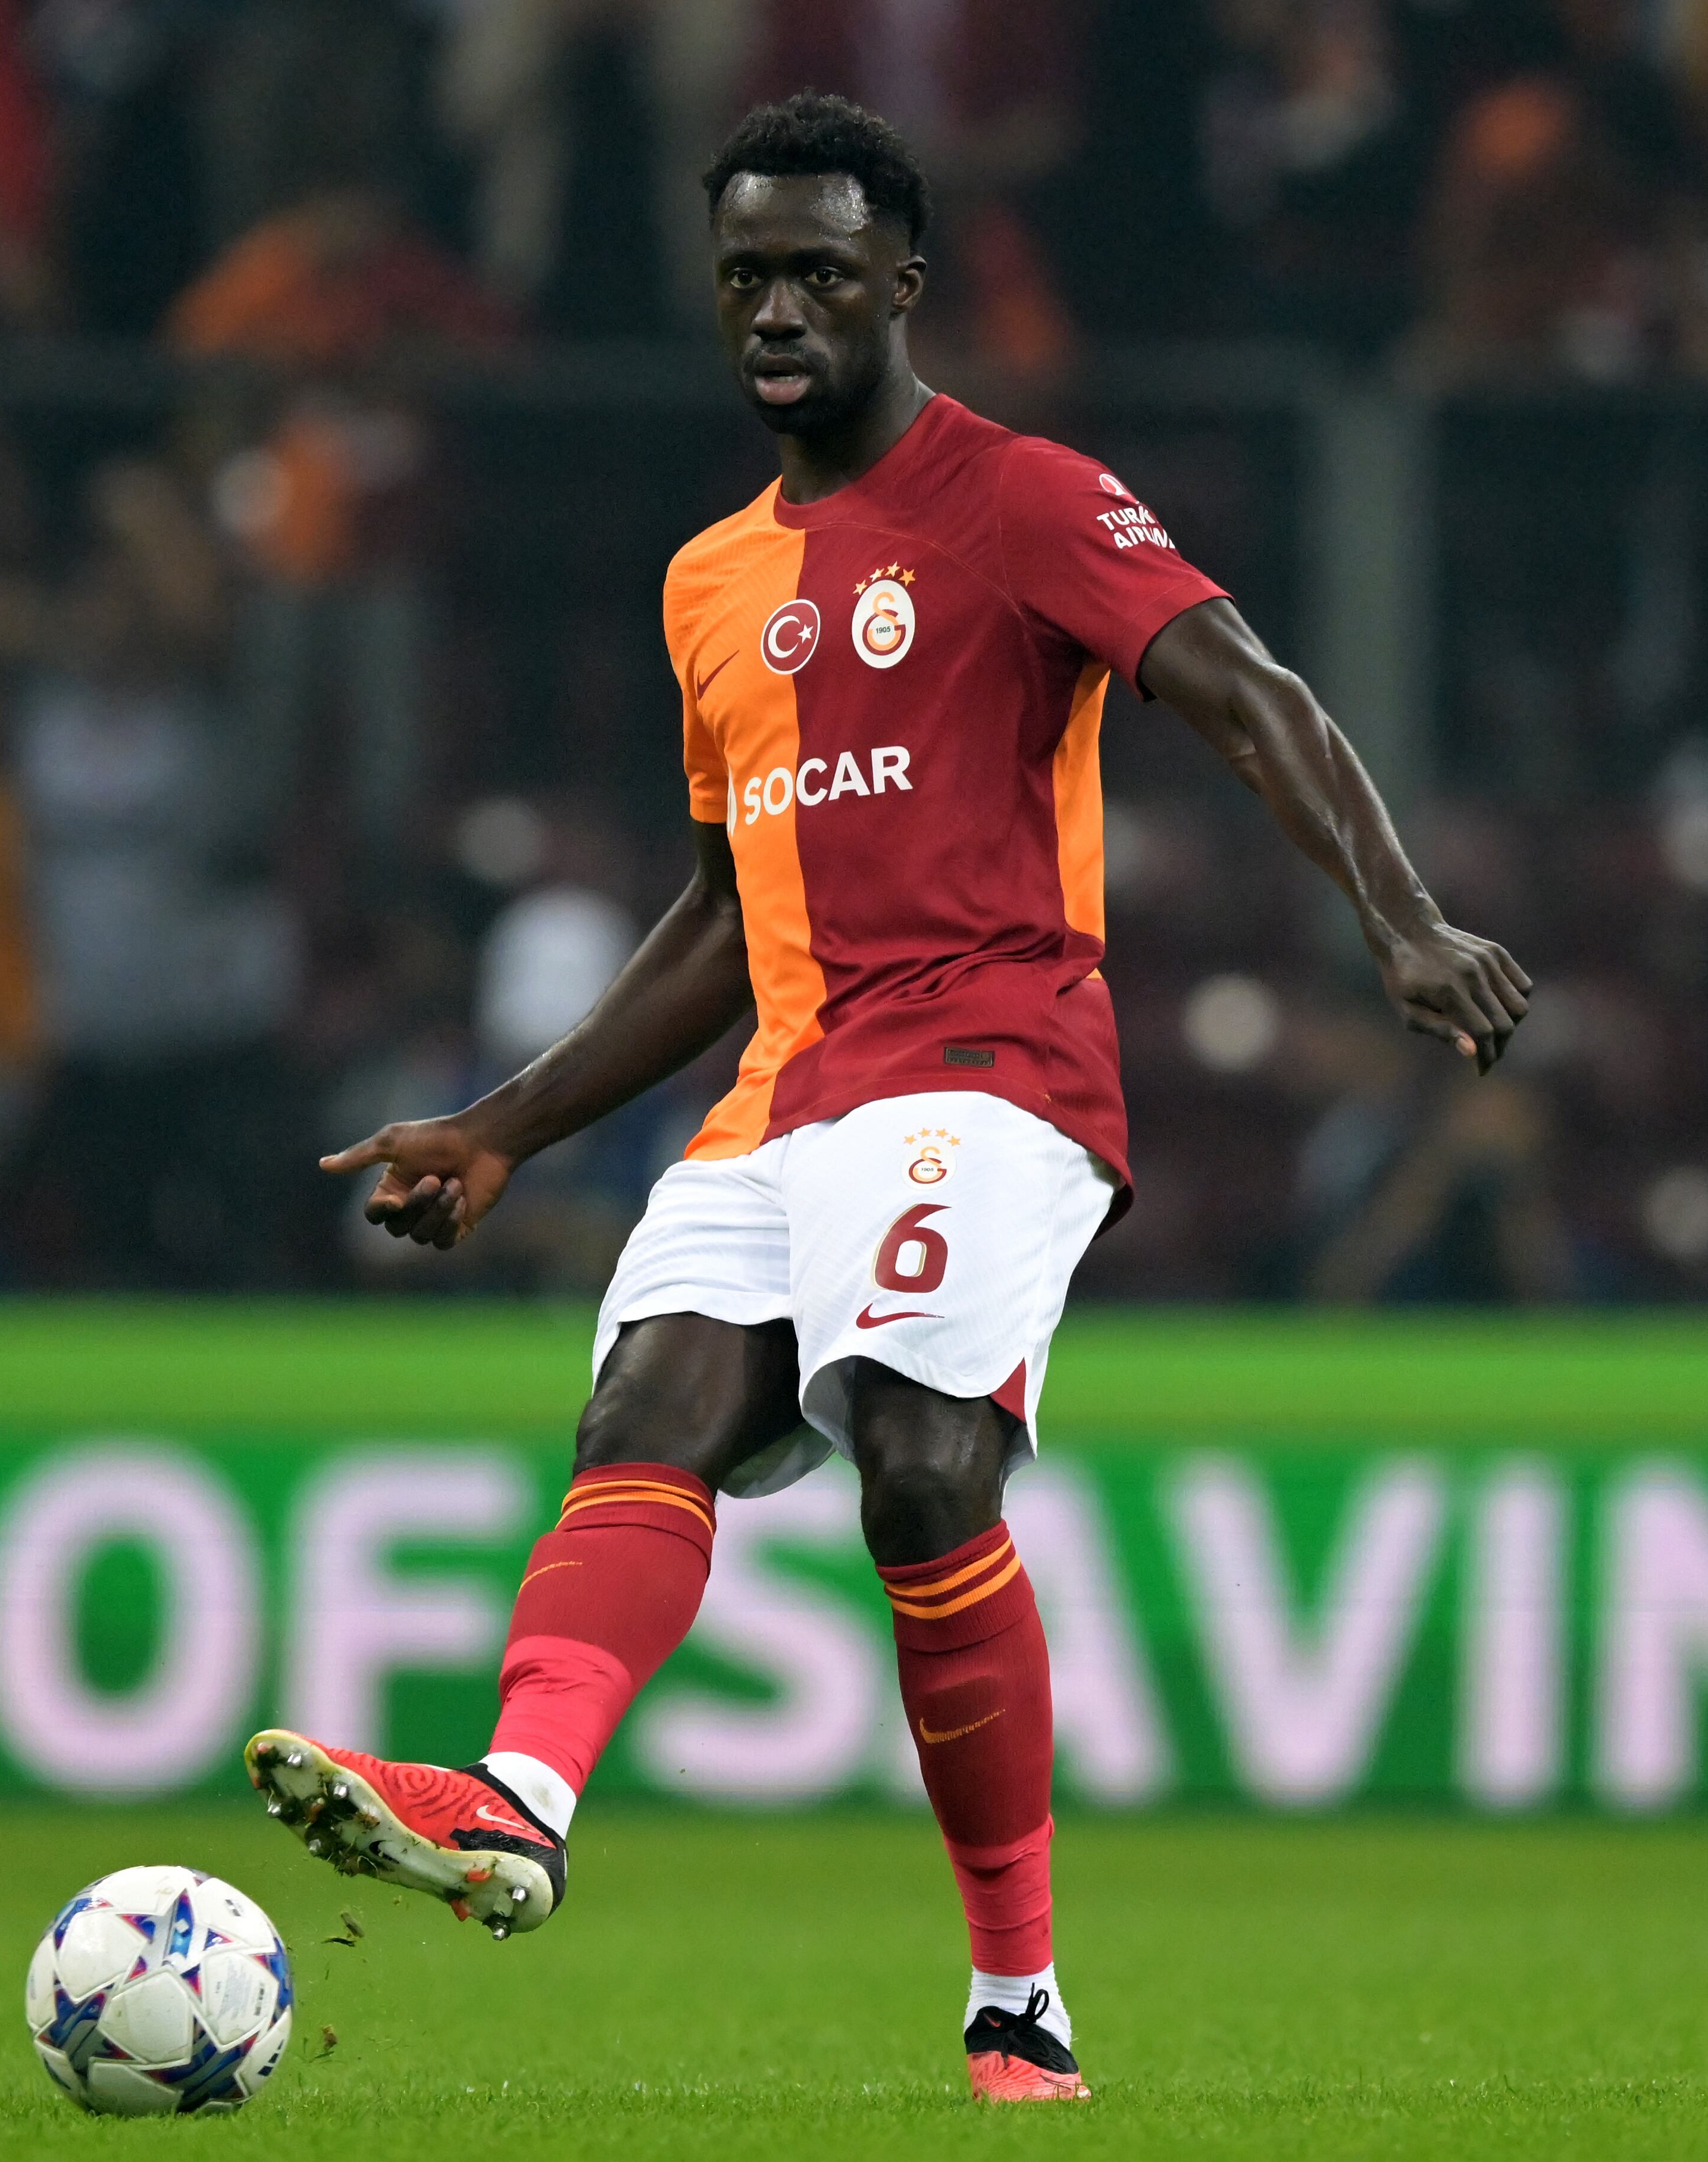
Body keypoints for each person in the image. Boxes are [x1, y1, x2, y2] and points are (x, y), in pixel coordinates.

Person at [231, 93, 1531, 2104]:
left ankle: (1017, 1994)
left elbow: (1247, 691)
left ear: (901, 286)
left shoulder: (1019, 500)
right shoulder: (704, 583)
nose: (776, 307)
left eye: (820, 271)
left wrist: (1407, 924)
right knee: (644, 1413)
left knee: (922, 1463)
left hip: (993, 1066)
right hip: (786, 1089)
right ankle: (516, 1800)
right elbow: (720, 911)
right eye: (746, 271)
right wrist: (505, 1125)